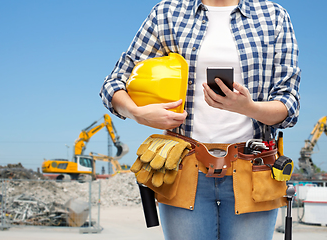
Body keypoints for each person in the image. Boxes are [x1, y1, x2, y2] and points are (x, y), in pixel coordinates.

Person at [100, 0, 300, 239]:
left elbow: (289, 105)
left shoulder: (274, 16)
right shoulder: (168, 13)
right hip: (184, 169)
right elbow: (114, 82)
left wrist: (248, 108)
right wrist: (138, 114)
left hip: (253, 172)